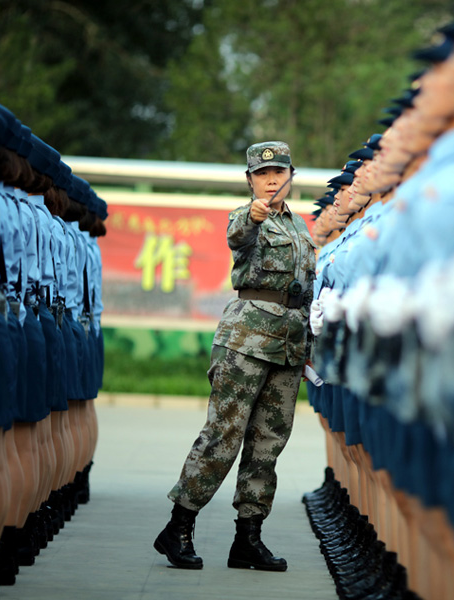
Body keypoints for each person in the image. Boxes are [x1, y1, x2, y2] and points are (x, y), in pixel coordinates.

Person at [154, 141, 317, 572]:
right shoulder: (247, 217)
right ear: (249, 180)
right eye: (261, 175)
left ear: (290, 176)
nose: (270, 180)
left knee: (267, 445)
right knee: (224, 436)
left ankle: (248, 538)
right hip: (245, 341)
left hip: (287, 346)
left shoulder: (301, 228)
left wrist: (308, 348)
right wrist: (253, 214)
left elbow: (305, 294)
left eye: (278, 173)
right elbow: (238, 235)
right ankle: (179, 525)